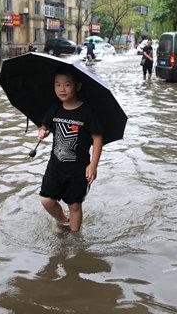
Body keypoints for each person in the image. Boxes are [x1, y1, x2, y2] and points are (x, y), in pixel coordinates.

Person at [37, 67, 103, 232]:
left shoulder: (87, 112)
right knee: (46, 200)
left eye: (67, 84)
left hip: (78, 169)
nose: (62, 89)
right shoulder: (55, 108)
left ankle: (74, 238)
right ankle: (63, 220)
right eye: (57, 85)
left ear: (77, 86)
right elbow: (45, 125)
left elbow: (97, 138)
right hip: (55, 166)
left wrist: (93, 164)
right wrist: (43, 131)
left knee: (75, 205)